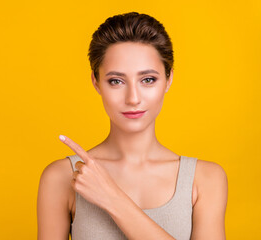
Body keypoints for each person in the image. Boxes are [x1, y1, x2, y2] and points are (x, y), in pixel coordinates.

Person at [37, 12, 228, 240]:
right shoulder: (62, 178)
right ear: (96, 83)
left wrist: (112, 197)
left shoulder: (205, 179)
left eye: (148, 79)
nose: (133, 98)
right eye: (116, 81)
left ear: (169, 80)